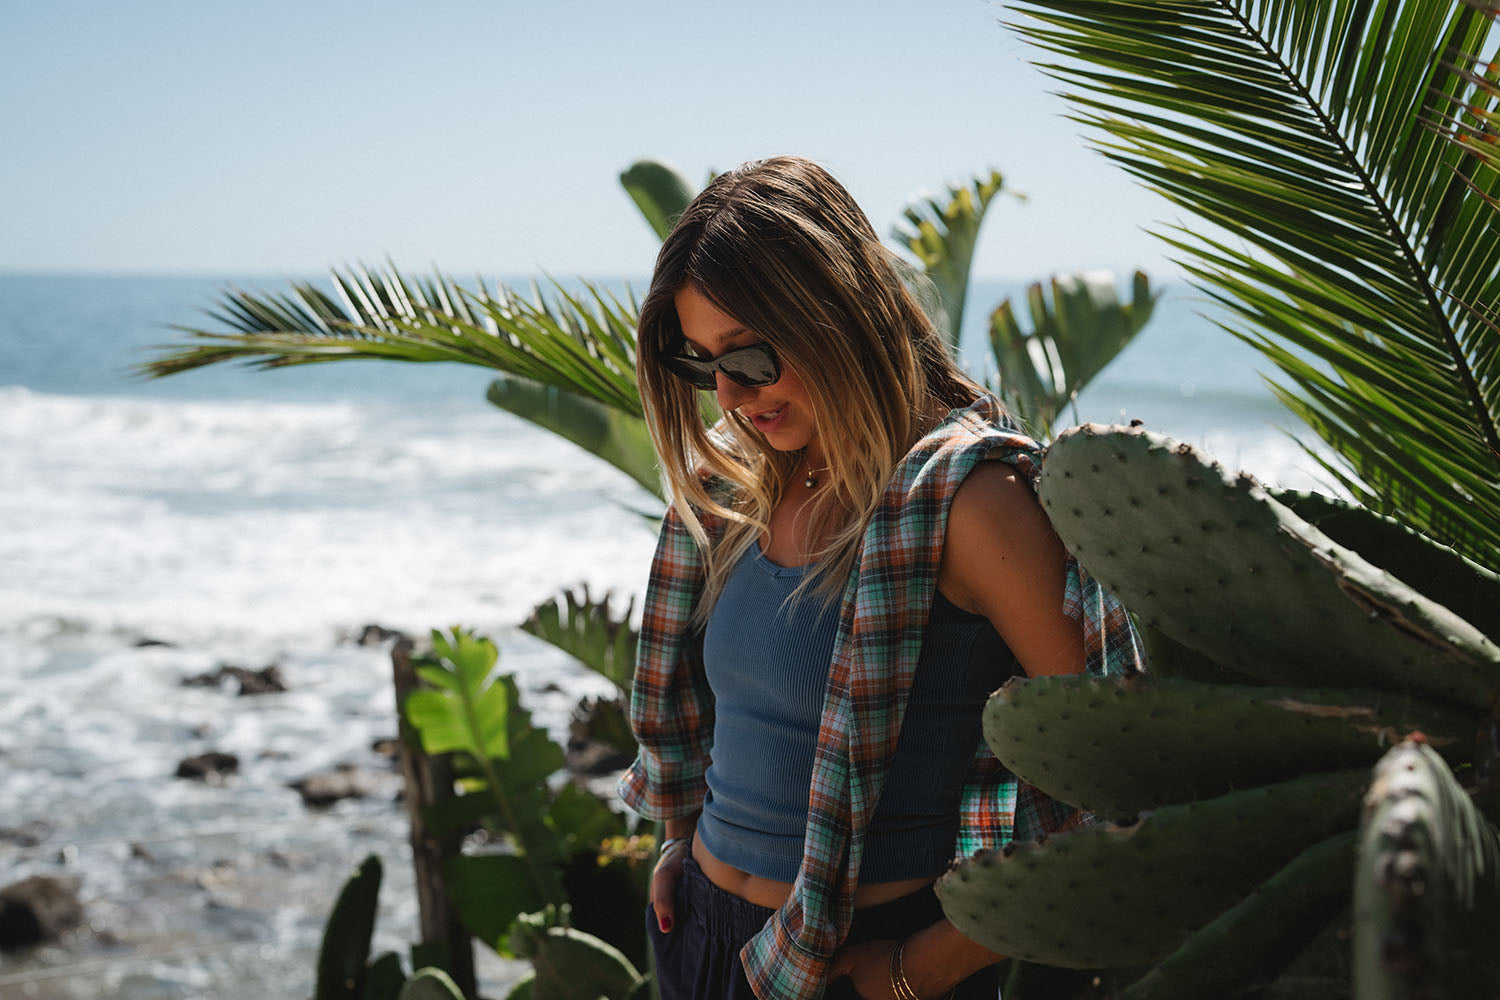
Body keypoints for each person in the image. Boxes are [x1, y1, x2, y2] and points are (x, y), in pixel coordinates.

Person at [618, 156, 1142, 1000]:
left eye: (751, 358)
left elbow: (1123, 779)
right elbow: (730, 722)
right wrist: (681, 846)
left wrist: (920, 967)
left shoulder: (972, 502)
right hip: (703, 938)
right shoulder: (743, 491)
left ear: (834, 314)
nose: (729, 397)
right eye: (702, 362)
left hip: (861, 966)